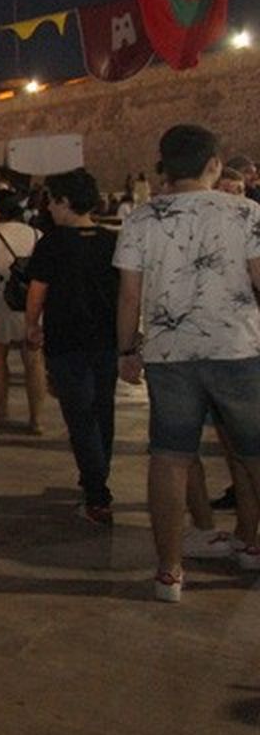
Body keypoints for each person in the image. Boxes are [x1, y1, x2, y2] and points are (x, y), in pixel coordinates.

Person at [114, 124, 260, 602]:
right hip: (237, 349)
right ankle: (251, 545)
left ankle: (169, 572)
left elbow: (129, 294)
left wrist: (126, 350)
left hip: (170, 355)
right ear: (214, 164)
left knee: (170, 456)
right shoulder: (246, 212)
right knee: (253, 453)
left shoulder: (141, 219)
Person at [25, 169, 120, 523]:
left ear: (64, 201)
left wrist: (31, 326)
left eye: (51, 200)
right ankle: (97, 475)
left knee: (80, 417)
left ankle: (97, 493)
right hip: (106, 339)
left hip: (67, 340)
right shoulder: (111, 241)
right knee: (102, 411)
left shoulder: (53, 243)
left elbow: (38, 291)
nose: (48, 207)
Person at [0, 189, 48, 432]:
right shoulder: (37, 234)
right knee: (33, 359)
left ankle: (2, 407)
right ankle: (36, 419)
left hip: (0, 301)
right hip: (32, 301)